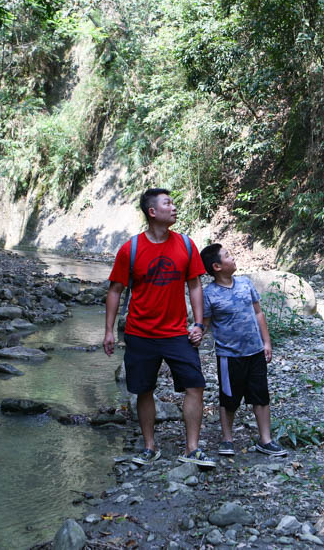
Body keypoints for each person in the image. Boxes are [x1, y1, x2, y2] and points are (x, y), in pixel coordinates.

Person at [103, 188, 216, 467]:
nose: (174, 207)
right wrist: (108, 331)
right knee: (144, 390)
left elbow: (194, 286)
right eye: (168, 203)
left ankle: (192, 449)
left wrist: (199, 324)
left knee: (195, 386)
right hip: (140, 333)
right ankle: (149, 447)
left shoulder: (186, 245)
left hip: (177, 333)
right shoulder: (130, 249)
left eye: (173, 202)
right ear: (152, 212)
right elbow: (116, 290)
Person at [199, 243, 288, 457]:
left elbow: (258, 313)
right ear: (217, 266)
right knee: (229, 398)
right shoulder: (209, 294)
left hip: (255, 351)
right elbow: (206, 323)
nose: (233, 257)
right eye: (227, 255)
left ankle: (265, 440)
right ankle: (227, 439)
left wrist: (266, 342)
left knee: (261, 395)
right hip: (229, 356)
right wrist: (195, 335)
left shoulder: (246, 284)